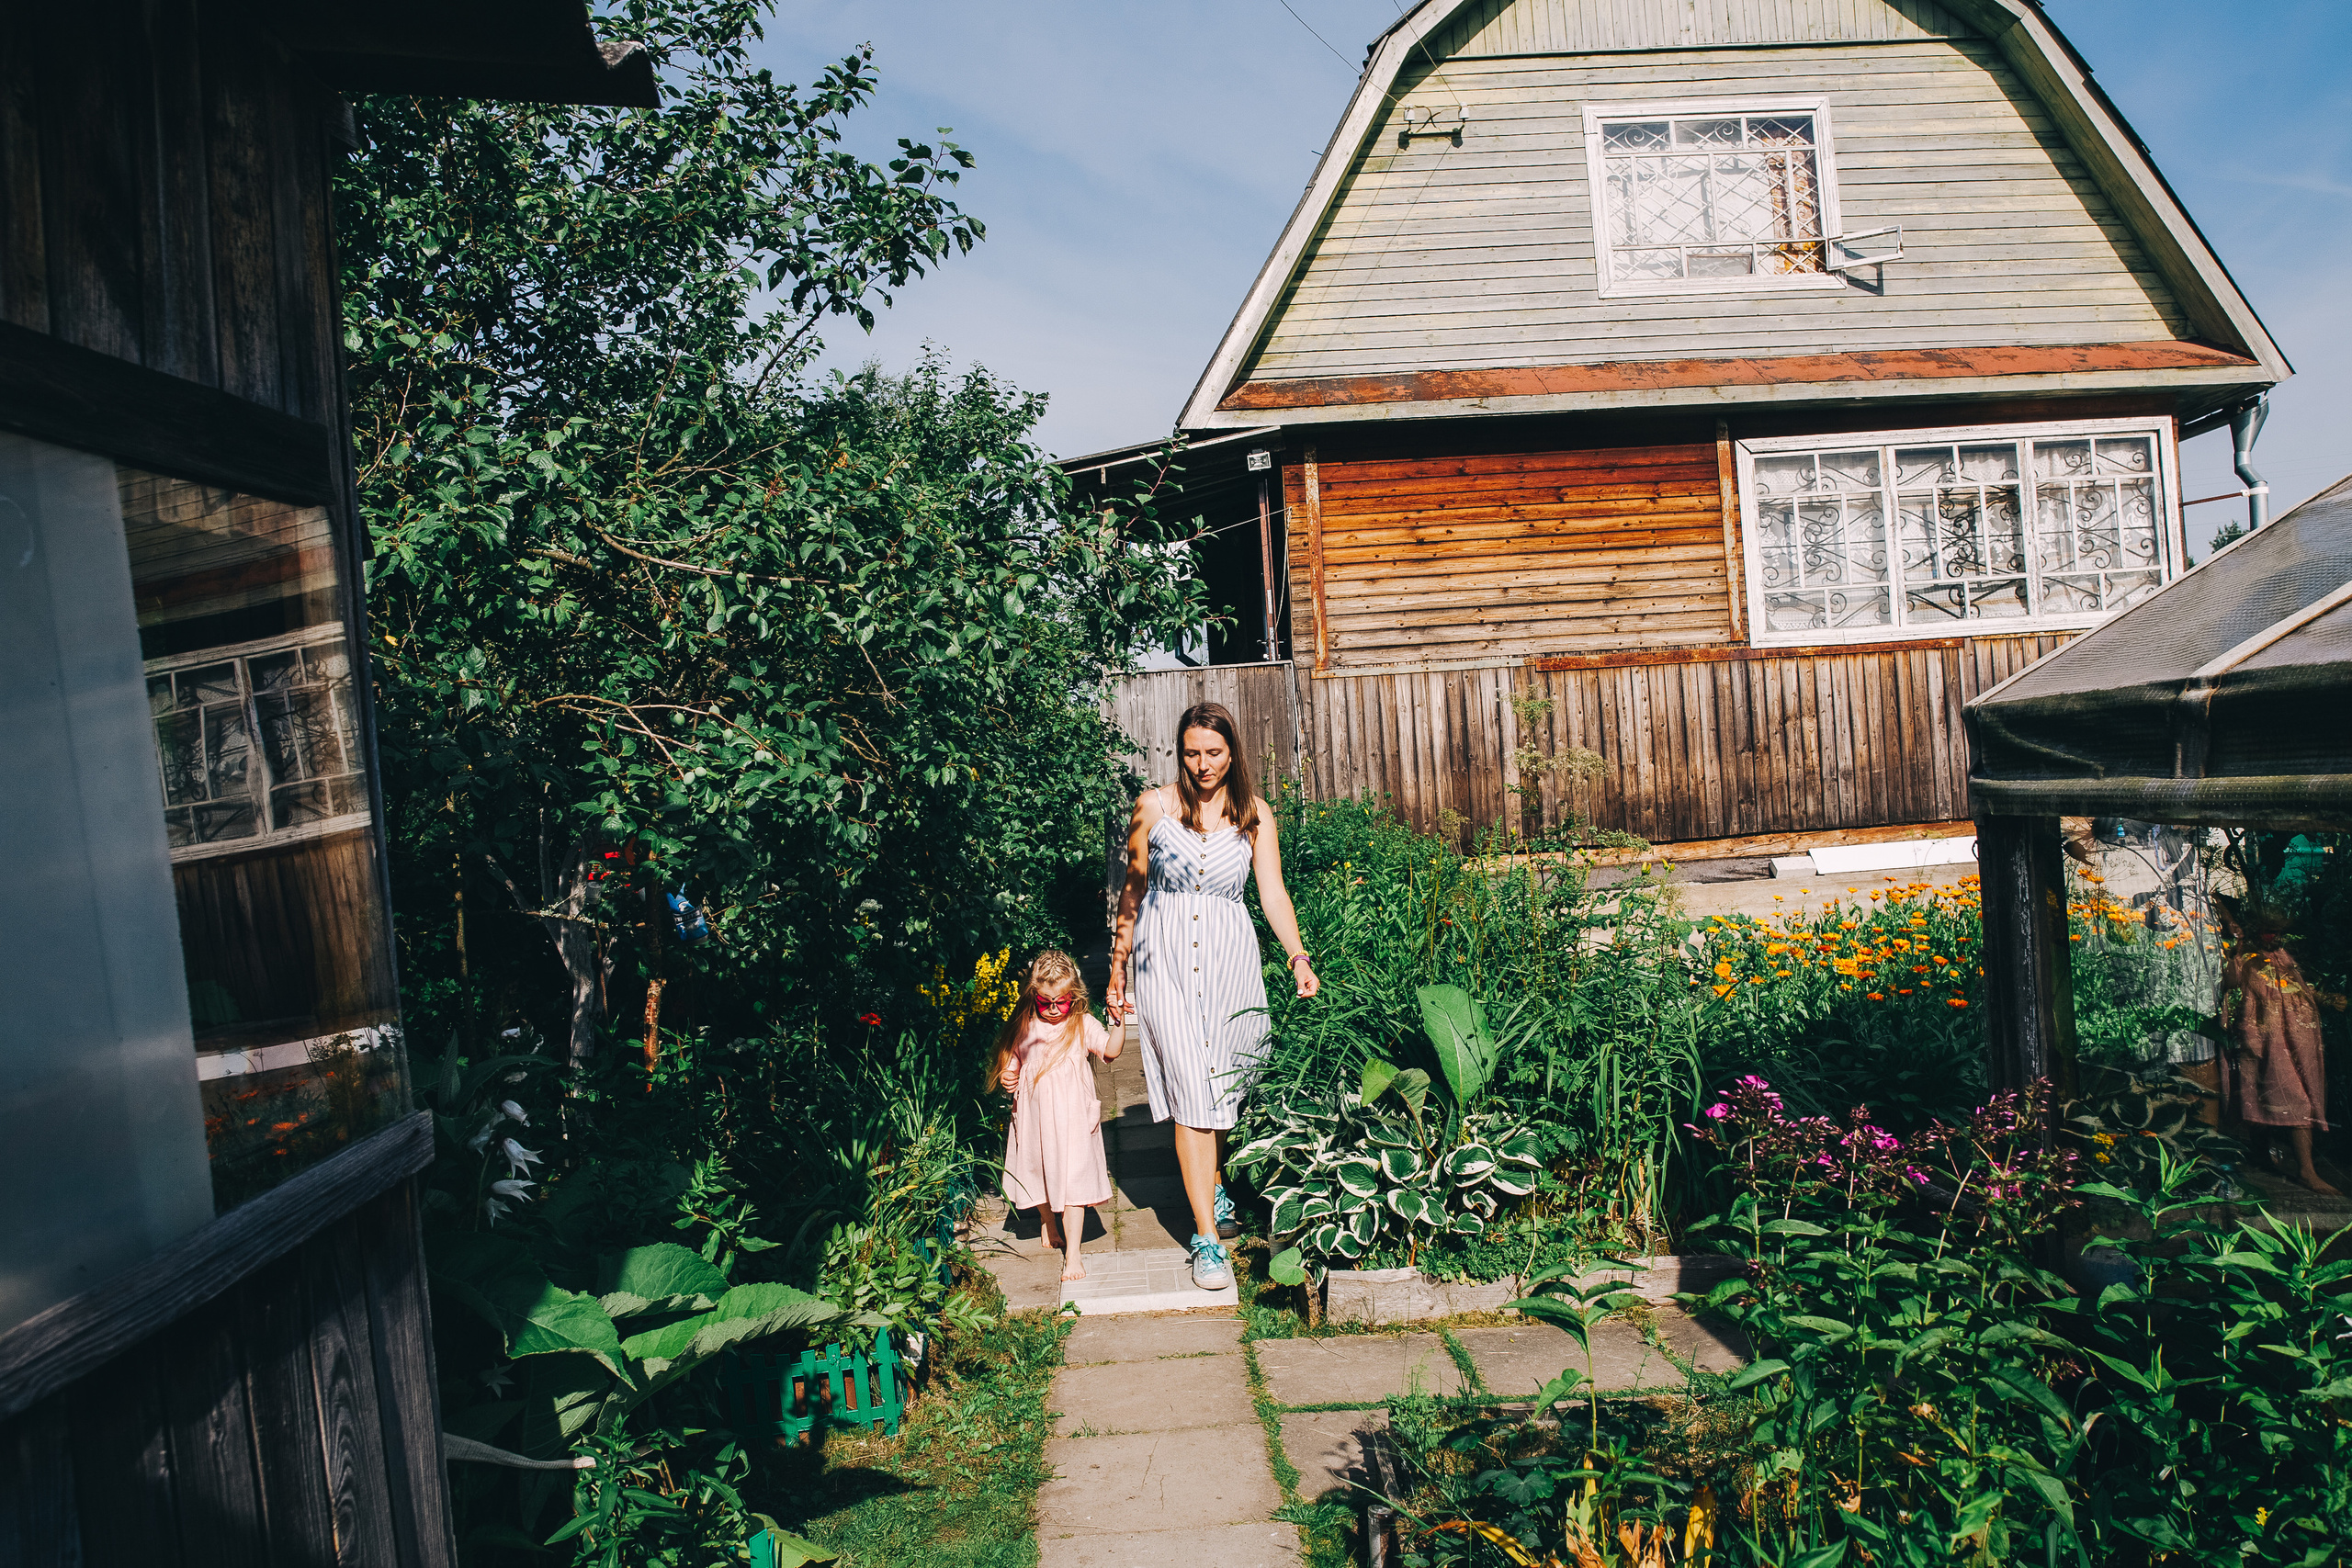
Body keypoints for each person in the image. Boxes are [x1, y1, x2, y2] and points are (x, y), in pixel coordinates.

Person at [1104, 702, 1321, 1290]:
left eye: (1214, 753)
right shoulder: (1152, 807)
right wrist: (1118, 967)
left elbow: (1272, 894)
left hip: (1230, 965)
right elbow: (1132, 892)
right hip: (1164, 964)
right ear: (1181, 752)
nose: (1202, 765)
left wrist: (1297, 956)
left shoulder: (1254, 815)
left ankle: (1215, 1184)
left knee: (1221, 1085)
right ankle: (1206, 1239)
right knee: (1192, 1089)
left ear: (1233, 753)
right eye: (1192, 752)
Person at [993, 950, 1121, 1280]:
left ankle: (1074, 1254)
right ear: (1034, 996)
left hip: (1074, 1120)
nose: (1052, 1009)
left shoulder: (1081, 1024)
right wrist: (1009, 1075)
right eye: (1045, 1002)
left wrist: (1118, 1022)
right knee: (1038, 1170)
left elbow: (1110, 1050)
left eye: (1061, 1002)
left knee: (1074, 1179)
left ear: (1073, 996)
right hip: (1036, 1120)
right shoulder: (1026, 1026)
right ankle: (1048, 1221)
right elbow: (1012, 1062)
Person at [2219, 902, 2340, 1196]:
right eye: (2268, 930)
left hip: (2293, 1040)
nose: (2273, 936)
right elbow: (2234, 990)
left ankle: (2277, 1161)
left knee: (2269, 1097)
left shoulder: (2281, 956)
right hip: (2263, 1041)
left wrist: (2323, 998)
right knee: (2277, 1098)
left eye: (2279, 931)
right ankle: (2305, 1171)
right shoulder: (2245, 959)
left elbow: (2295, 987)